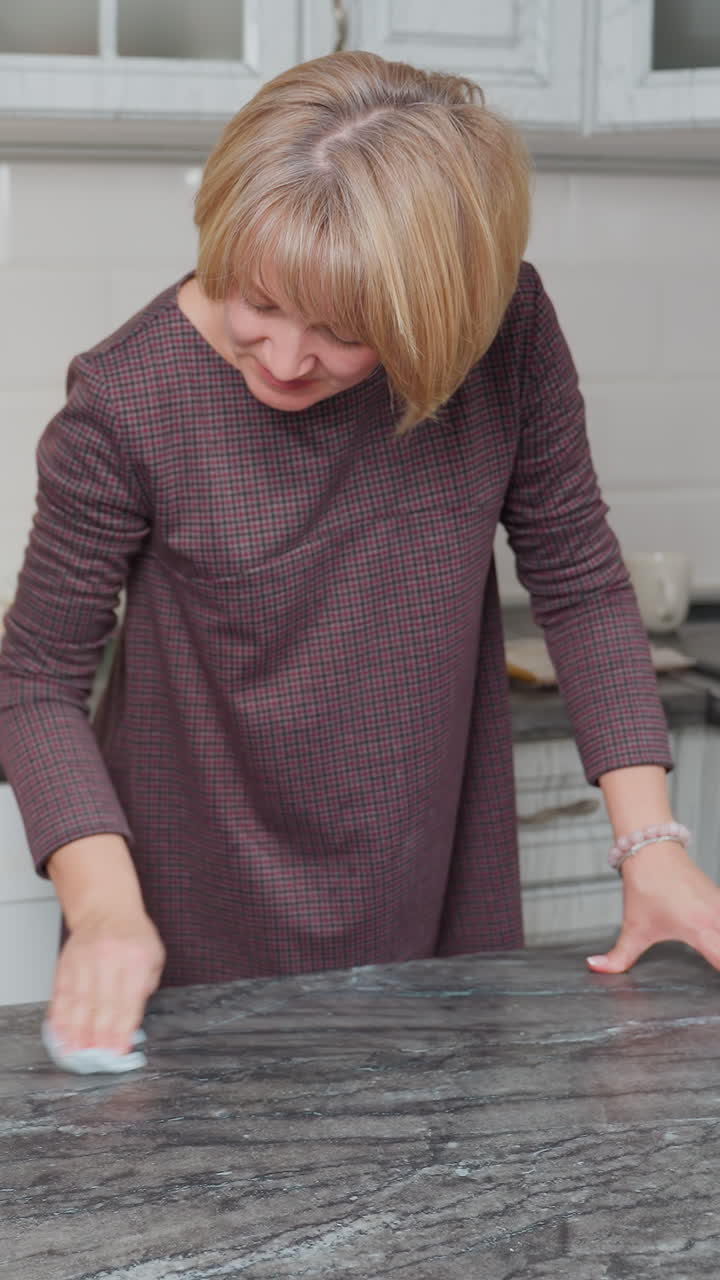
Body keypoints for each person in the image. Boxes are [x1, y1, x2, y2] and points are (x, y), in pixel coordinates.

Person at [1, 51, 718, 1061]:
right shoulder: (128, 402)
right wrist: (107, 906)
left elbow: (580, 576)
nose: (285, 359)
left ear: (442, 317)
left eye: (345, 331)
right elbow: (31, 679)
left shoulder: (504, 335)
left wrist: (652, 846)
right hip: (189, 925)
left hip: (436, 899)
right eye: (253, 298)